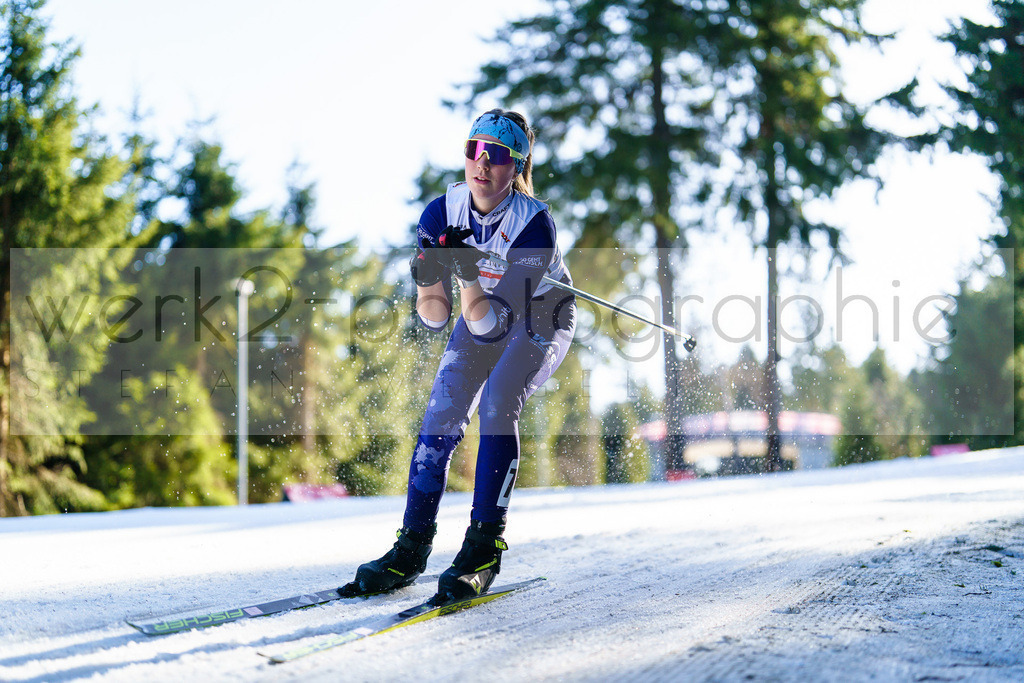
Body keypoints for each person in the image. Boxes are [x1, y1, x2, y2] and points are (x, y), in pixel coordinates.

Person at [340, 109, 576, 604]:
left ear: (517, 166)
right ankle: (411, 547)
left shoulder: (534, 225)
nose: (482, 163)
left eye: (497, 155)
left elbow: (493, 326)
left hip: (541, 315)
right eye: (474, 150)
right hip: (479, 310)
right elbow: (434, 317)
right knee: (440, 416)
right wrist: (429, 275)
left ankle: (483, 550)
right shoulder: (439, 214)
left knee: (498, 401)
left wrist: (467, 273)